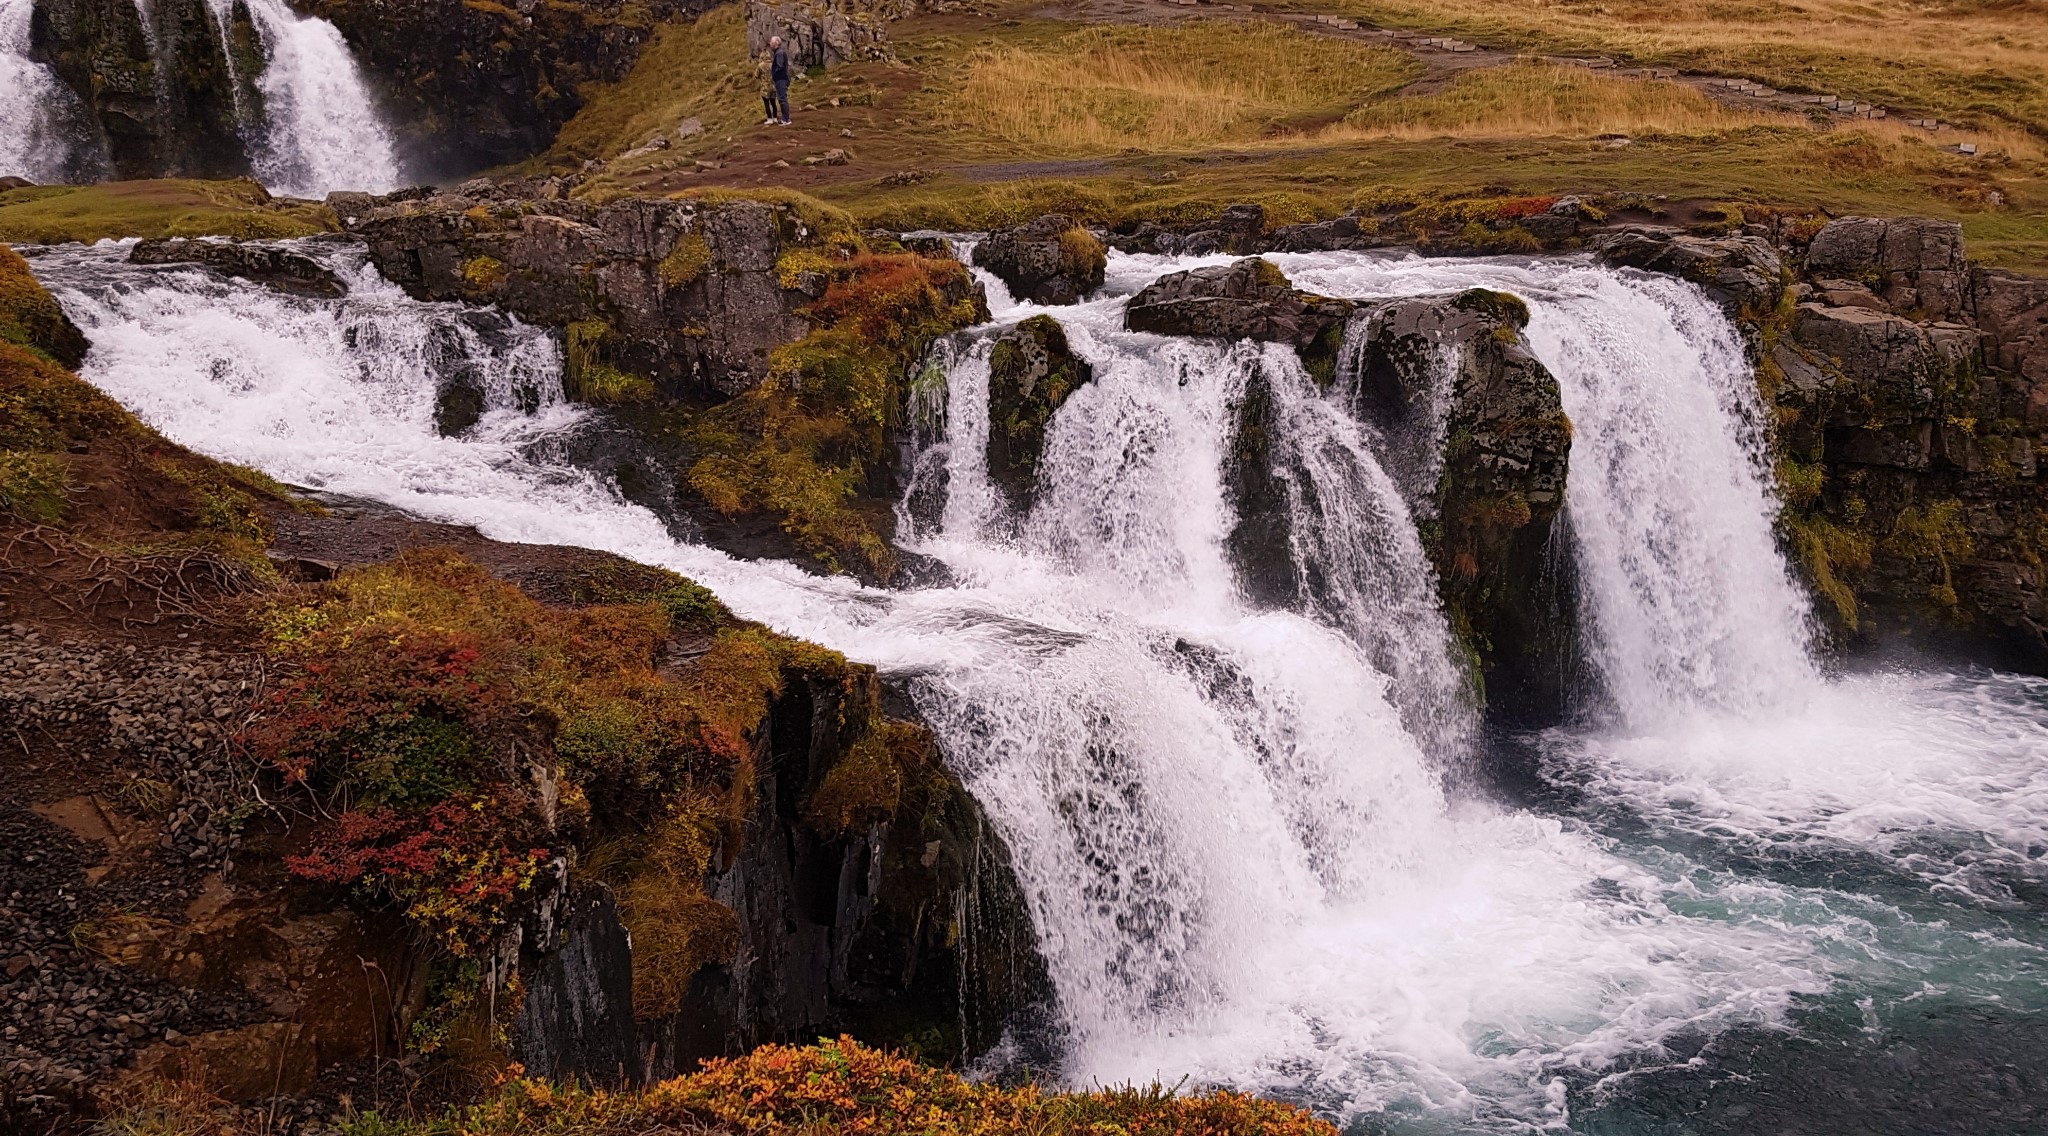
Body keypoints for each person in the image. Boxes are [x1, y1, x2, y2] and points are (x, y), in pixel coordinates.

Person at [769, 35, 791, 126]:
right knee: (782, 98)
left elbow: (780, 66)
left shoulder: (779, 53)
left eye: (771, 41)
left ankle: (786, 119)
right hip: (781, 78)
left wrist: (774, 75)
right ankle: (785, 118)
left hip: (781, 79)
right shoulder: (778, 53)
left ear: (776, 43)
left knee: (782, 99)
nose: (770, 43)